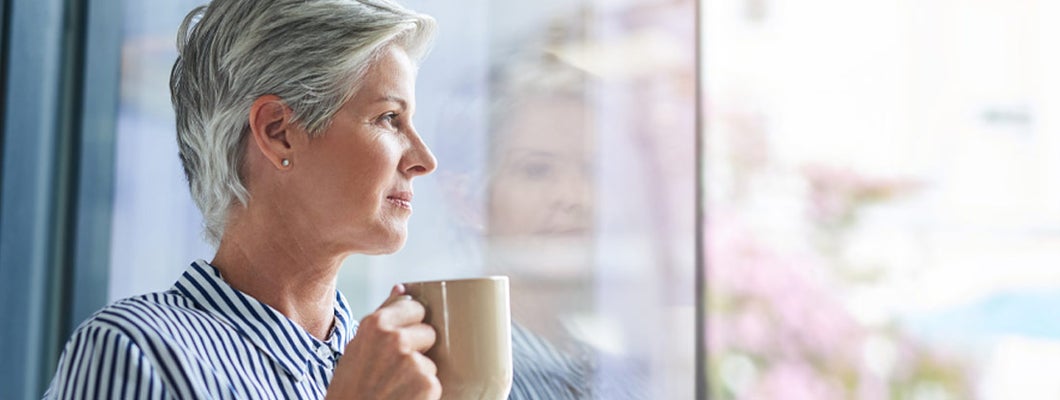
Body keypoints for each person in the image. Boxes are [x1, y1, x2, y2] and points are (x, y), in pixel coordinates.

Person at [44, 0, 442, 398]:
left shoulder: (392, 376)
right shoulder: (134, 351)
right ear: (277, 132)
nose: (425, 160)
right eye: (389, 118)